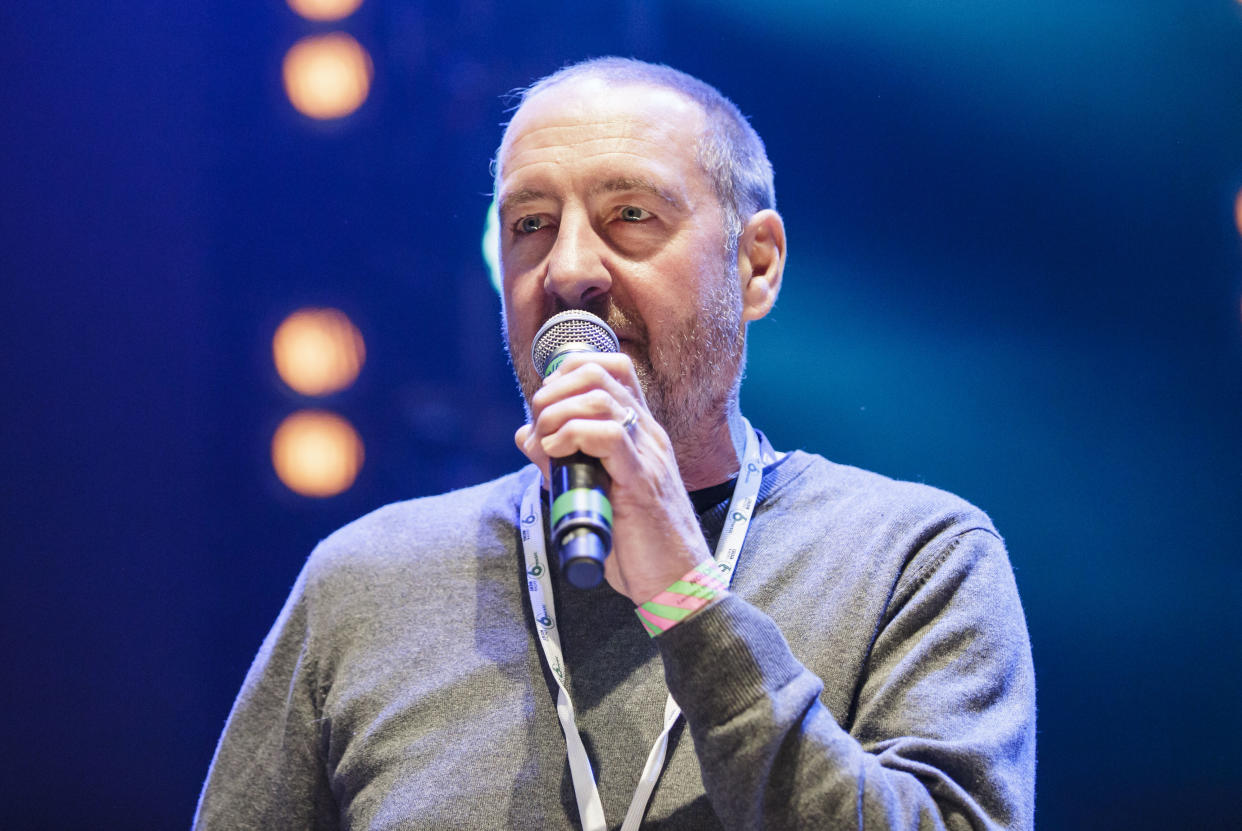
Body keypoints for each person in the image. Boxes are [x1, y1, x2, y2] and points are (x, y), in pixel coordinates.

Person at [195, 57, 1035, 830]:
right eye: (529, 223)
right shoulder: (366, 583)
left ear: (757, 266)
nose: (567, 270)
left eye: (630, 215)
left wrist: (687, 600)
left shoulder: (912, 559)